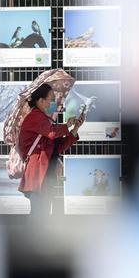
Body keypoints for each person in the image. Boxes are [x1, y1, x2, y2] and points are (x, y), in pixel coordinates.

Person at [17, 83, 85, 216]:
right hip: (38, 176)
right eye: (52, 99)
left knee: (42, 216)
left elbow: (59, 146)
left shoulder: (45, 120)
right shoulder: (34, 117)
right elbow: (52, 133)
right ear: (41, 101)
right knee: (38, 217)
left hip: (46, 176)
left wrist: (75, 129)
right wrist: (67, 125)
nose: (54, 103)